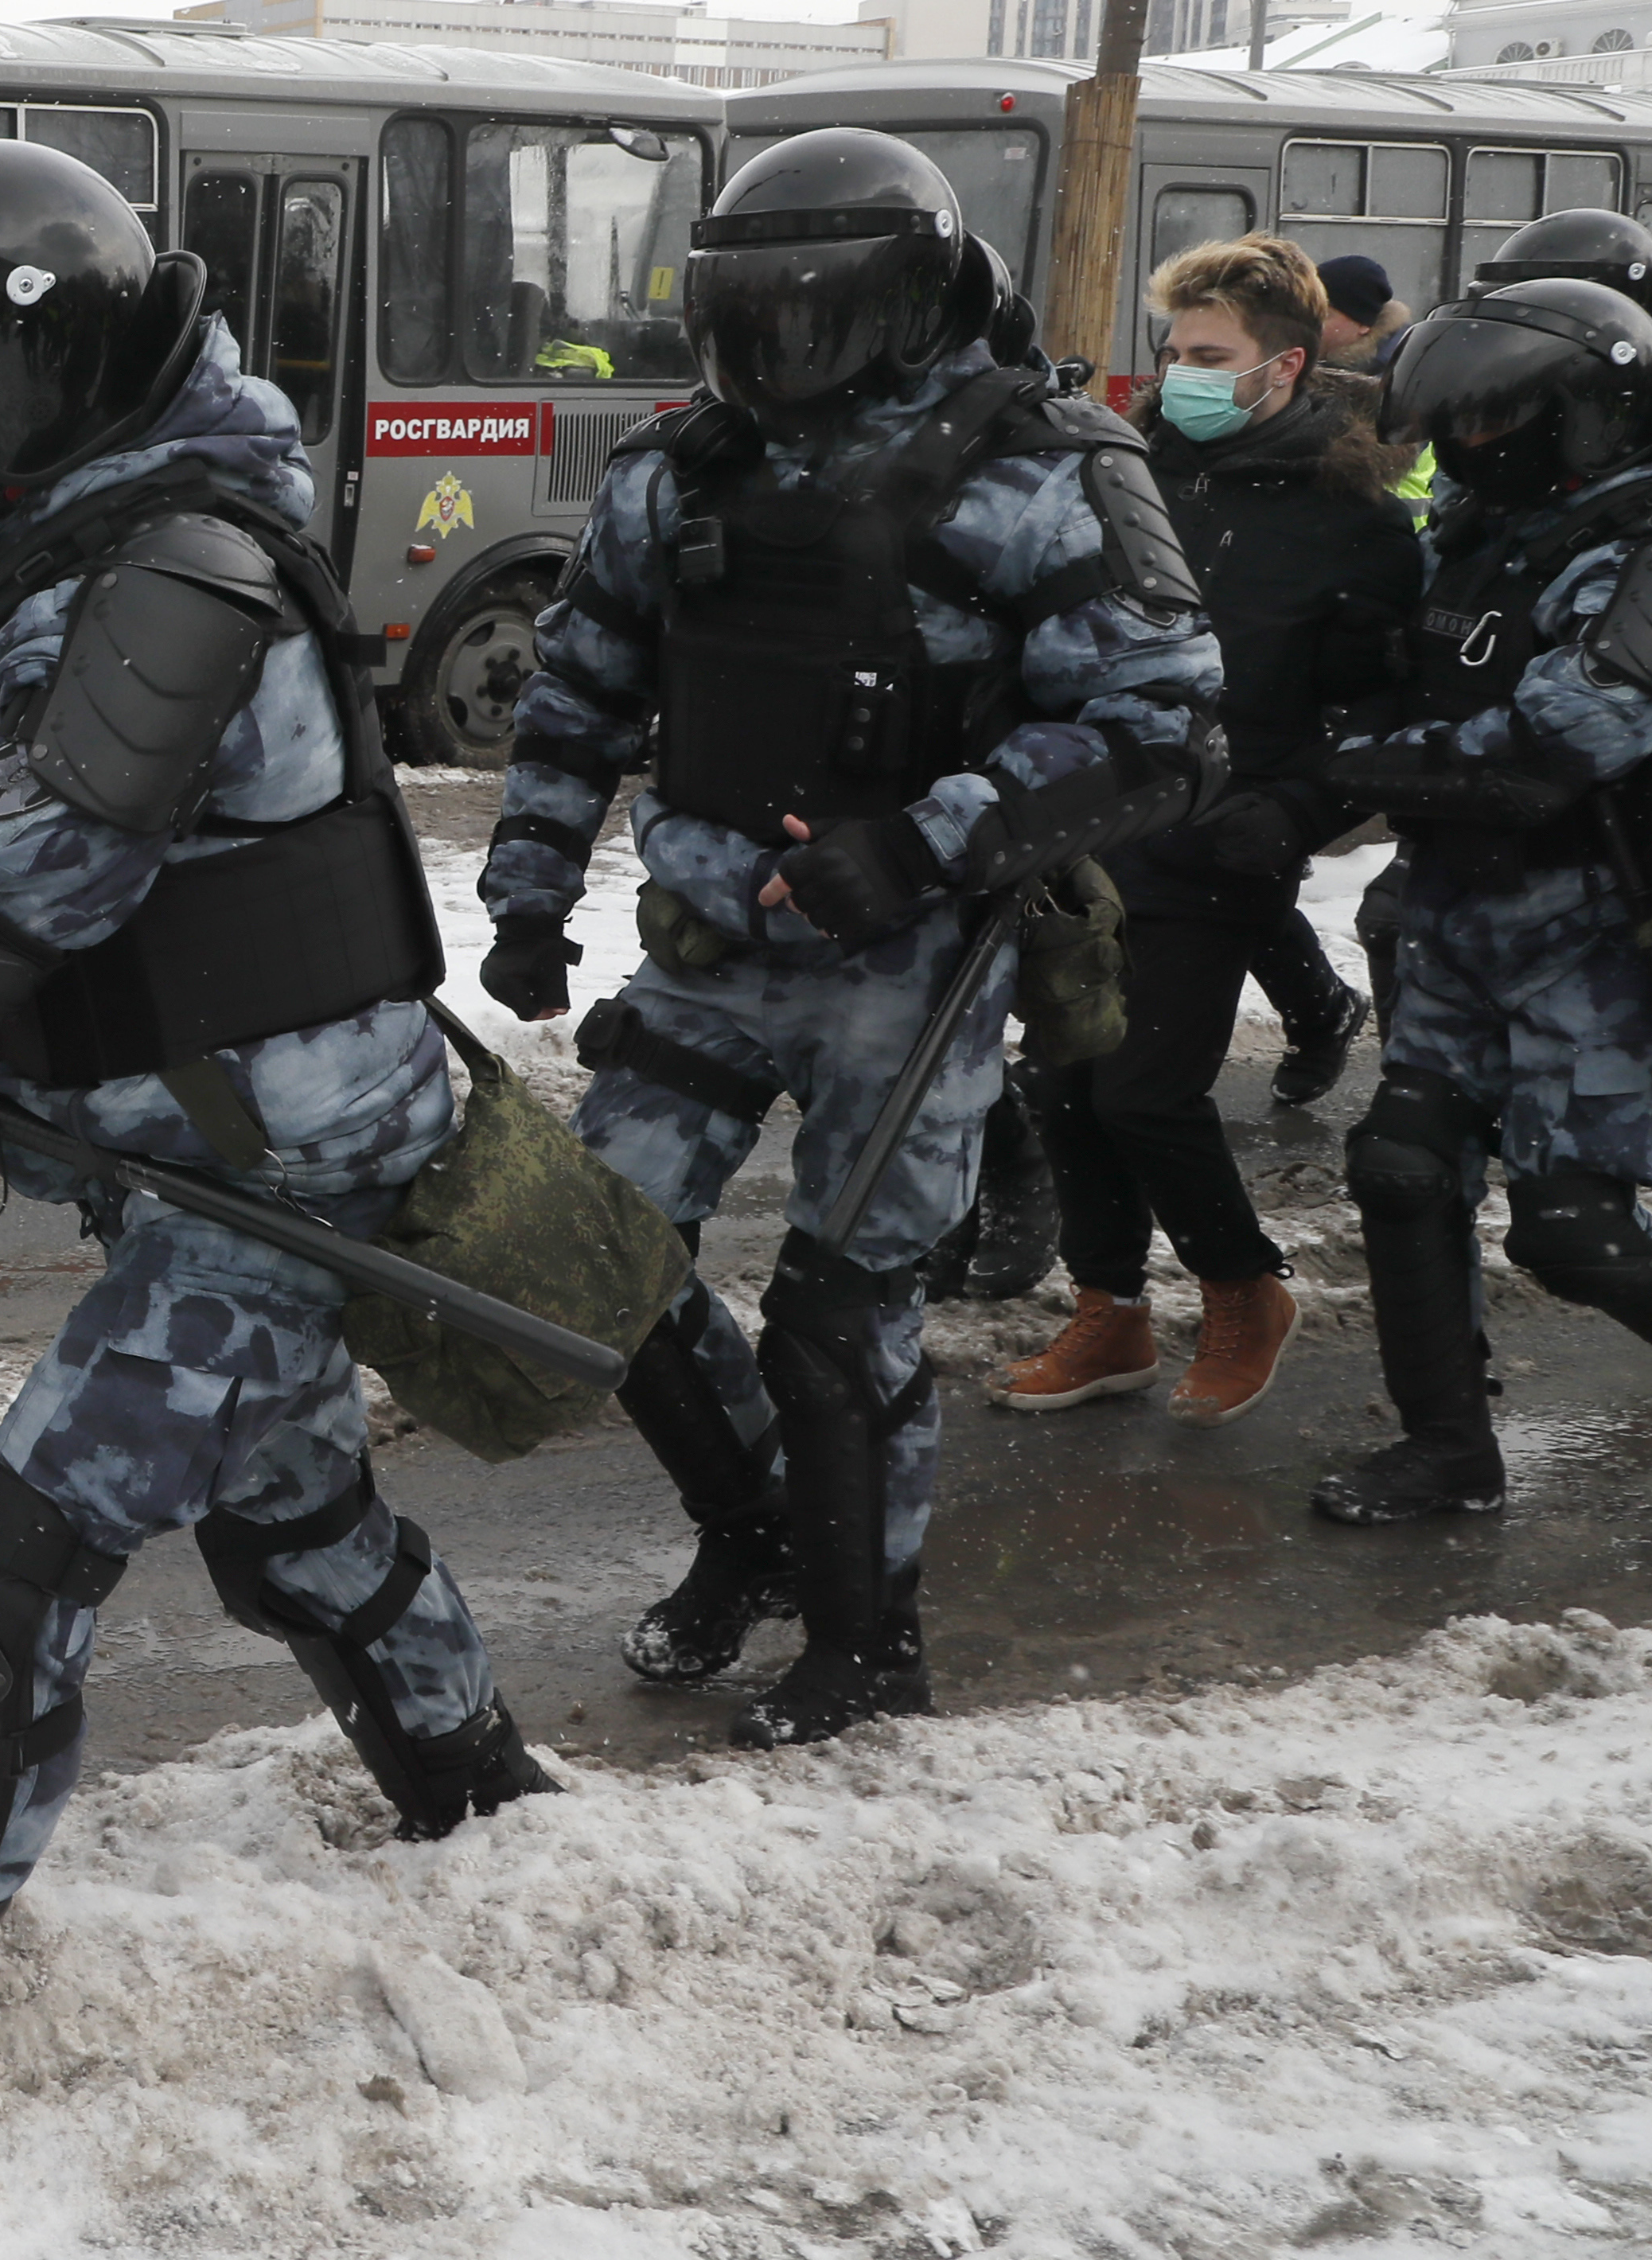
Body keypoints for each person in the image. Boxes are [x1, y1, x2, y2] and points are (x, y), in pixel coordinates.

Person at [0, 139, 551, 2162]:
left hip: (281, 1173)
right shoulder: (71, 532)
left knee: (2, 1565)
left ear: (27, 365)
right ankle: (483, 1799)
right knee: (297, 1522)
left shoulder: (177, 563)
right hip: (212, 1147)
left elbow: (14, 893)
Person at [481, 130, 1225, 1744]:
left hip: (913, 961)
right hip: (709, 943)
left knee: (837, 1316)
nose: (776, 349)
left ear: (906, 300)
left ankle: (867, 1640)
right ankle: (752, 1535)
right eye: (749, 314)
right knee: (589, 1260)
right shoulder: (683, 462)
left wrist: (918, 844)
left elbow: (1164, 730)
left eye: (810, 313)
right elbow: (582, 685)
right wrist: (529, 887)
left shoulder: (1044, 464)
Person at [996, 238, 1422, 1428]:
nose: (1179, 372)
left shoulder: (1359, 524)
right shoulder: (1125, 474)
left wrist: (1291, 809)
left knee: (1142, 1092)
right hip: (1095, 822)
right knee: (1066, 1083)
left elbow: (1375, 711)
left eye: (1209, 355)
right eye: (1173, 350)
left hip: (1228, 835)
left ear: (1284, 366)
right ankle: (1111, 1312)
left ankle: (1245, 1290)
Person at [1311, 278, 1652, 1523]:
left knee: (1570, 1228)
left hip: (1594, 930)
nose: (1469, 446)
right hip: (1458, 910)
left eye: (1498, 421)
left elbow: (1565, 739)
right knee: (1402, 1169)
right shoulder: (1473, 531)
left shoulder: (1634, 543)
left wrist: (1354, 766)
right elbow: (1403, 674)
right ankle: (1447, 1450)